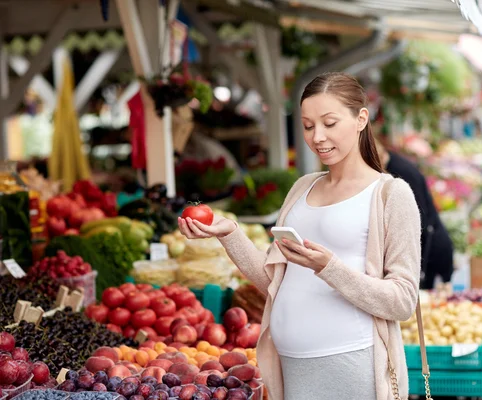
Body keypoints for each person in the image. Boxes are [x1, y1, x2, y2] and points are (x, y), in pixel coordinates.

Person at [178, 72, 421, 400]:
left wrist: (329, 268)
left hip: (350, 365)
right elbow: (274, 281)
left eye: (329, 123)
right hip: (290, 365)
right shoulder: (301, 188)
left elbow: (403, 300)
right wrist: (230, 234)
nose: (317, 136)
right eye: (308, 126)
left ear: (361, 119)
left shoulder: (391, 194)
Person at [375, 139, 454, 289]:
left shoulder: (400, 173)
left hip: (431, 251)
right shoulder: (394, 163)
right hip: (429, 245)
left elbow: (418, 218)